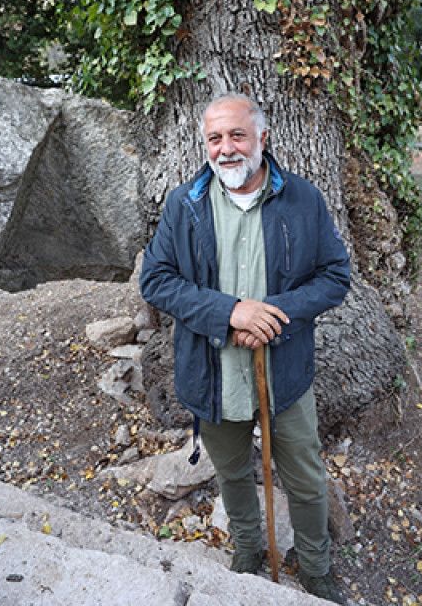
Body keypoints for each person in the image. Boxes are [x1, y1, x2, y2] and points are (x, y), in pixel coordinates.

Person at [140, 93, 350, 604]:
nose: (226, 148)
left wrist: (272, 315)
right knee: (233, 472)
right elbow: (157, 280)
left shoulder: (303, 200)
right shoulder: (184, 204)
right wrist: (230, 313)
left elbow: (334, 276)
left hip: (285, 371)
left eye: (237, 135)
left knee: (305, 477)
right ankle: (249, 550)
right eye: (215, 138)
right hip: (212, 372)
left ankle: (316, 567)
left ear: (262, 138)